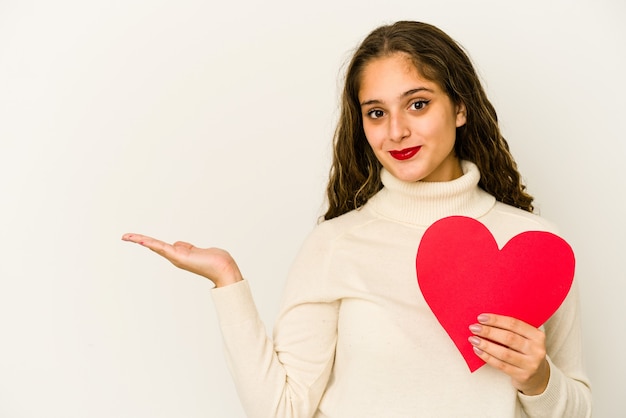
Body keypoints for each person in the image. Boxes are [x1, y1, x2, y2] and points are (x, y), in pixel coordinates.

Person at [122, 21, 592, 417]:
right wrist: (227, 279)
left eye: (418, 103)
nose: (396, 131)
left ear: (461, 107)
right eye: (375, 112)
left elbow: (579, 407)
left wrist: (538, 378)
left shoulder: (534, 246)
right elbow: (283, 408)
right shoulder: (335, 244)